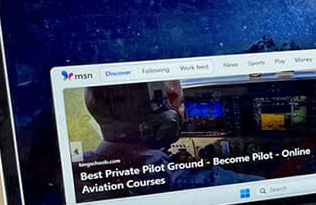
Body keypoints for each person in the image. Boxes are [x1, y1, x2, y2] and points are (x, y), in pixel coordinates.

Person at [81, 80, 260, 193]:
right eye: (181, 103)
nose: (184, 113)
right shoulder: (175, 178)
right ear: (165, 116)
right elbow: (265, 187)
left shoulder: (81, 170)